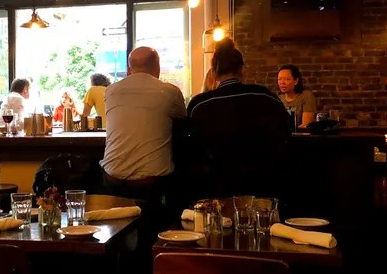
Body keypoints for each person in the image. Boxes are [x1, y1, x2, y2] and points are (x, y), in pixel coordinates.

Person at [187, 39, 292, 199]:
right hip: (264, 184)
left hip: (214, 187)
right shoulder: (264, 96)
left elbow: (191, 146)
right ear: (242, 70)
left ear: (214, 73)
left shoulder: (199, 104)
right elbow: (286, 131)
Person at [101, 47, 186, 221]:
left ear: (129, 69)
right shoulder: (170, 92)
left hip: (111, 181)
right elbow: (183, 121)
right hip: (152, 185)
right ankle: (167, 238)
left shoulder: (111, 91)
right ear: (158, 68)